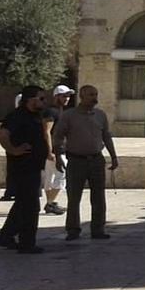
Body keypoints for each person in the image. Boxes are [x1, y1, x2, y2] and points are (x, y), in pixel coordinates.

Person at [52, 85, 119, 242]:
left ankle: (98, 229)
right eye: (90, 95)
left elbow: (106, 137)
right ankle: (73, 229)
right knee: (74, 197)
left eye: (95, 94)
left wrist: (114, 156)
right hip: (76, 161)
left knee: (98, 197)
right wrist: (57, 157)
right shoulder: (69, 116)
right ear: (82, 96)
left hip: (96, 159)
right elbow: (58, 137)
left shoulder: (100, 115)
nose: (94, 98)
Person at [0, 85, 48, 254]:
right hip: (23, 169)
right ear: (30, 99)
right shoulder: (17, 116)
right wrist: (13, 150)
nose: (43, 101)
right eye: (41, 98)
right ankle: (27, 243)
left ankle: (6, 236)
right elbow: (2, 134)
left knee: (22, 205)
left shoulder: (35, 116)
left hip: (34, 167)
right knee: (31, 206)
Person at [41, 85, 73, 215]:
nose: (67, 98)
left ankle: (50, 203)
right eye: (64, 96)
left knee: (50, 177)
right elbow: (47, 131)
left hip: (59, 149)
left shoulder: (61, 112)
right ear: (56, 96)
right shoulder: (51, 112)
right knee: (61, 175)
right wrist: (49, 151)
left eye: (68, 96)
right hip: (55, 150)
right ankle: (50, 203)